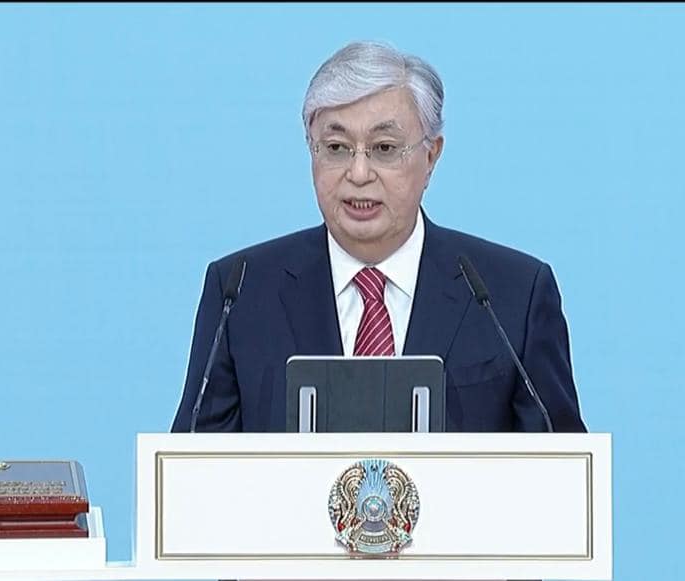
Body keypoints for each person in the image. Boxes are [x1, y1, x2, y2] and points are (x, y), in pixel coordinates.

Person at [171, 41, 586, 433]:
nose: (358, 174)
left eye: (384, 148)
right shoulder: (240, 292)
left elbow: (561, 465)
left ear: (431, 155)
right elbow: (192, 467)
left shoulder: (512, 295)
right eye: (336, 148)